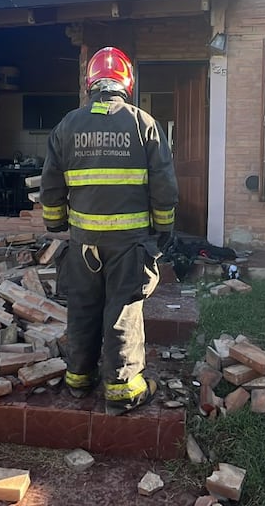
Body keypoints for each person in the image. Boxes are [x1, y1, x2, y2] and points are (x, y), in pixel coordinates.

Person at [39, 46, 179, 416]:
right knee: (122, 310)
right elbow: (163, 185)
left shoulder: (67, 125)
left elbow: (50, 184)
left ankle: (78, 378)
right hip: (129, 244)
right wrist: (163, 228)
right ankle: (122, 389)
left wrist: (56, 222)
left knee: (83, 307)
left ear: (91, 83)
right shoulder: (143, 123)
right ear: (126, 83)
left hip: (83, 242)